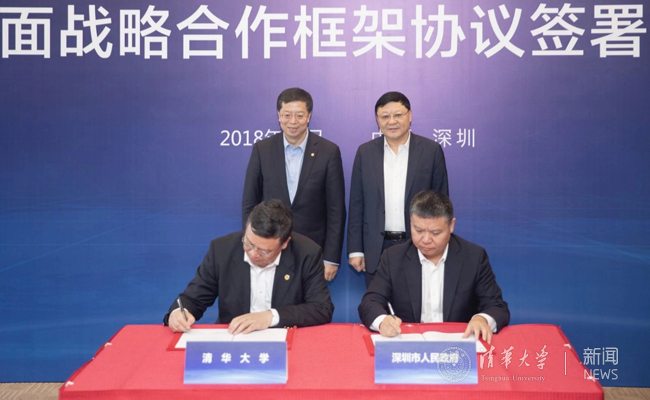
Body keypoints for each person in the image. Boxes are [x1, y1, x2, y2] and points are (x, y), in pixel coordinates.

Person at [358, 190, 509, 343]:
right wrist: (382, 321)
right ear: (410, 223)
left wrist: (482, 319)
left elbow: (496, 306)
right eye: (418, 230)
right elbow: (370, 302)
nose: (426, 239)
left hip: (457, 344)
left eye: (435, 232)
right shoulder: (393, 258)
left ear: (451, 225)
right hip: (409, 343)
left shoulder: (473, 257)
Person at [165, 199, 334, 334]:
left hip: (283, 339)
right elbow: (193, 298)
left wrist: (269, 317)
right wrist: (179, 313)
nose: (253, 253)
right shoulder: (222, 250)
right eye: (249, 243)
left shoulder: (306, 253)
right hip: (234, 338)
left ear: (284, 243)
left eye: (264, 251)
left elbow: (321, 308)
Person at [243, 88, 346, 282]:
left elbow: (336, 210)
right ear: (278, 116)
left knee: (310, 300)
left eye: (299, 115)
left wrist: (331, 258)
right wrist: (252, 246)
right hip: (269, 246)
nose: (293, 121)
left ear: (308, 116)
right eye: (287, 115)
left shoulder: (328, 151)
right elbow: (250, 203)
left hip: (313, 249)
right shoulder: (262, 150)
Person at [348, 91, 449, 287]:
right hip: (376, 248)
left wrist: (438, 244)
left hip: (419, 244)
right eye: (385, 116)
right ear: (377, 120)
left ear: (410, 115)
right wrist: (356, 250)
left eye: (398, 115)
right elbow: (356, 204)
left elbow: (441, 203)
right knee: (377, 303)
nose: (391, 121)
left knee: (417, 301)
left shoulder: (431, 151)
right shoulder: (365, 152)